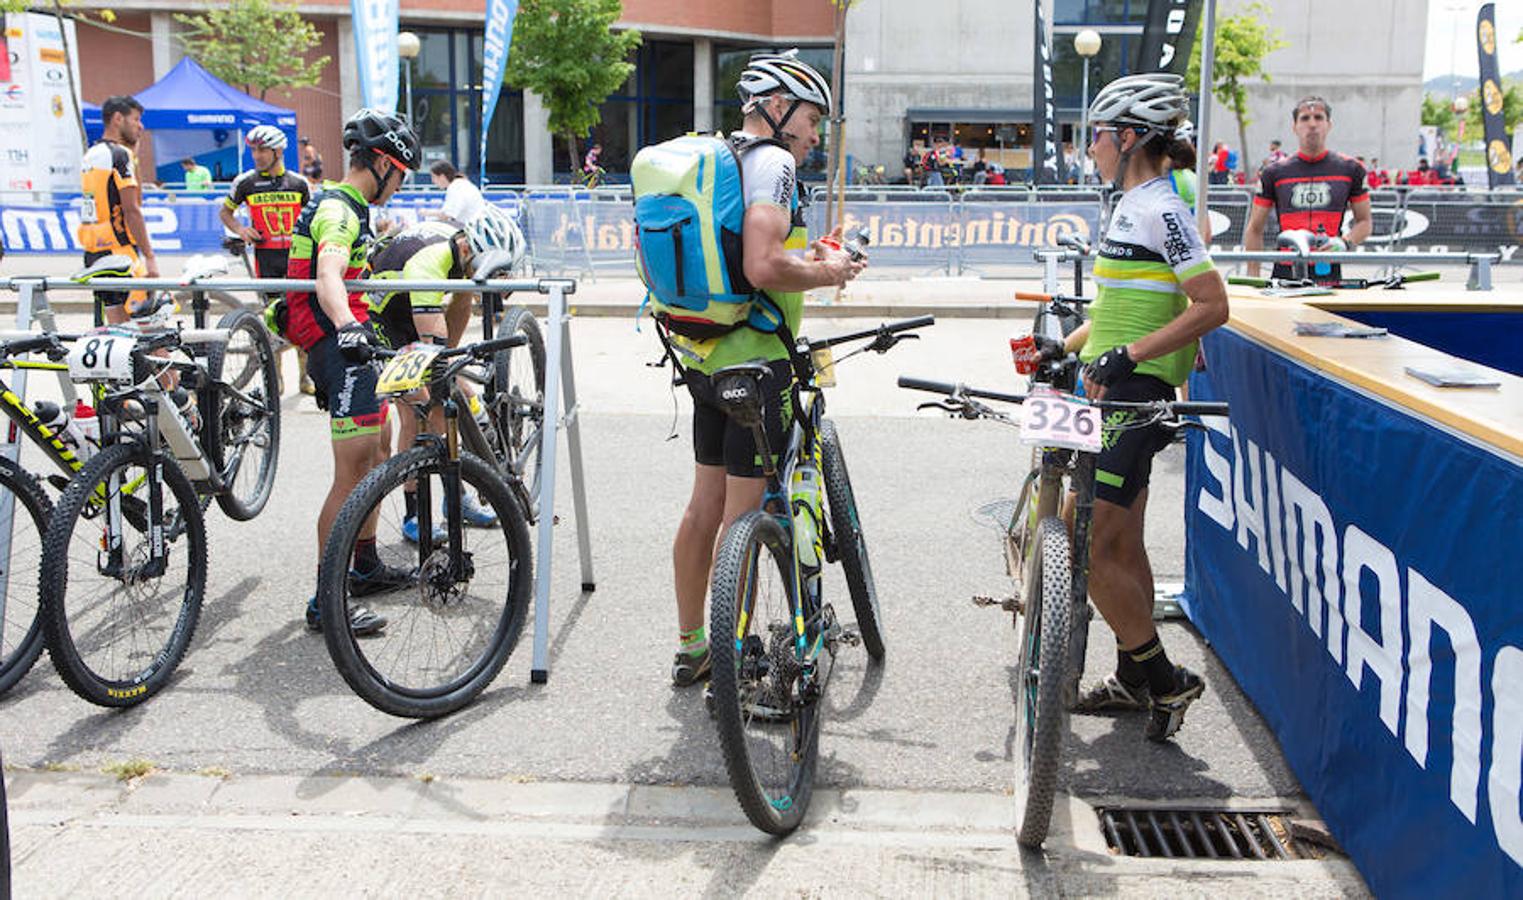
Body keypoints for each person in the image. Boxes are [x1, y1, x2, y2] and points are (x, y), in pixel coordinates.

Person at [665, 50, 865, 687]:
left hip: (701, 353)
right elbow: (762, 265)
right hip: (758, 365)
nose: (814, 134)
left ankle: (693, 644)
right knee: (743, 517)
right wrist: (830, 270)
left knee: (705, 505)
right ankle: (733, 653)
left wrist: (814, 255)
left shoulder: (719, 160)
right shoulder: (773, 163)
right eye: (810, 118)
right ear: (777, 110)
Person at [1072, 73, 1229, 742]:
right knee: (1123, 543)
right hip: (1109, 389)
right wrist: (1065, 344)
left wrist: (1129, 357)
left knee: (1088, 552)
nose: (1090, 149)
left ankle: (1165, 679)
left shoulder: (1160, 209)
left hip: (1132, 398)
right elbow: (1115, 310)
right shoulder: (1131, 204)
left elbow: (1211, 305)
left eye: (1096, 136)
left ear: (1128, 137)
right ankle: (1134, 679)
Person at [284, 108, 422, 636]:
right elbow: (328, 275)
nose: (401, 185)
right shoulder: (341, 210)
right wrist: (346, 325)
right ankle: (327, 599)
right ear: (384, 163)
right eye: (401, 175)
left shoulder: (351, 206)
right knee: (351, 473)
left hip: (349, 339)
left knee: (380, 450)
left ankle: (363, 565)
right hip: (337, 344)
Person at [365, 207, 526, 541]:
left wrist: (456, 378)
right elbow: (431, 353)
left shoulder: (462, 246)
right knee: (420, 413)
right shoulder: (430, 264)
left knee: (450, 388)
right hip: (387, 320)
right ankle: (414, 514)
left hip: (421, 306)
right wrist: (443, 379)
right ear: (469, 249)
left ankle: (456, 501)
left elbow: (460, 309)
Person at [219, 125, 313, 395]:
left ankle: (305, 378)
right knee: (273, 317)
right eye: (253, 150)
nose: (257, 156)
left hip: (297, 259)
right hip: (266, 260)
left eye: (262, 150)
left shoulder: (299, 183)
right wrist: (240, 230)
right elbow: (225, 212)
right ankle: (278, 379)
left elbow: (314, 217)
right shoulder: (246, 182)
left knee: (302, 316)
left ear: (279, 151)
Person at [1244, 96, 1372, 281]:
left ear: (1329, 125)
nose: (1312, 124)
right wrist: (1253, 277)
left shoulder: (1351, 169)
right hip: (1285, 270)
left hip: (1328, 269)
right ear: (1294, 127)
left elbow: (1365, 222)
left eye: (1319, 118)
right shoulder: (1273, 172)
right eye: (1304, 118)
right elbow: (1254, 229)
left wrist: (1344, 242)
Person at [78, 95, 157, 325]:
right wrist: (150, 257)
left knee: (119, 327)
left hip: (94, 251)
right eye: (136, 120)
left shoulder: (91, 154)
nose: (140, 126)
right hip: (119, 251)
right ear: (118, 119)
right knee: (150, 327)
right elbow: (132, 208)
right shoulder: (119, 155)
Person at [428, 159, 485, 226]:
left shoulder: (456, 188)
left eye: (433, 177)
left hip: (471, 228)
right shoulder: (460, 184)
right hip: (472, 225)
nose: (433, 181)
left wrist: (427, 213)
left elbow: (447, 215)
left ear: (442, 177)